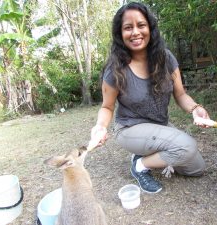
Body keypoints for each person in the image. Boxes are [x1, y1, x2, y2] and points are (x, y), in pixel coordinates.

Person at [88, 2, 210, 194]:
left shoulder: (166, 58)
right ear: (120, 34)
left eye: (141, 25)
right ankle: (140, 164)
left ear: (150, 28)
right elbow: (107, 107)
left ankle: (152, 152)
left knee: (196, 168)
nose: (135, 32)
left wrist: (196, 109)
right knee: (186, 146)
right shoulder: (115, 69)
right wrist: (100, 127)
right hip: (130, 128)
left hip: (158, 125)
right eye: (128, 27)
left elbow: (180, 94)